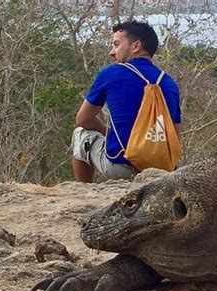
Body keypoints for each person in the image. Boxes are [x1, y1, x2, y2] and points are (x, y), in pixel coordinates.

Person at [70, 21, 181, 182]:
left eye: (116, 44)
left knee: (80, 133)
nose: (112, 52)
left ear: (136, 46)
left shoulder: (111, 73)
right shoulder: (169, 83)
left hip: (122, 168)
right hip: (163, 172)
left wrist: (106, 132)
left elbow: (83, 119)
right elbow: (174, 135)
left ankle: (83, 191)